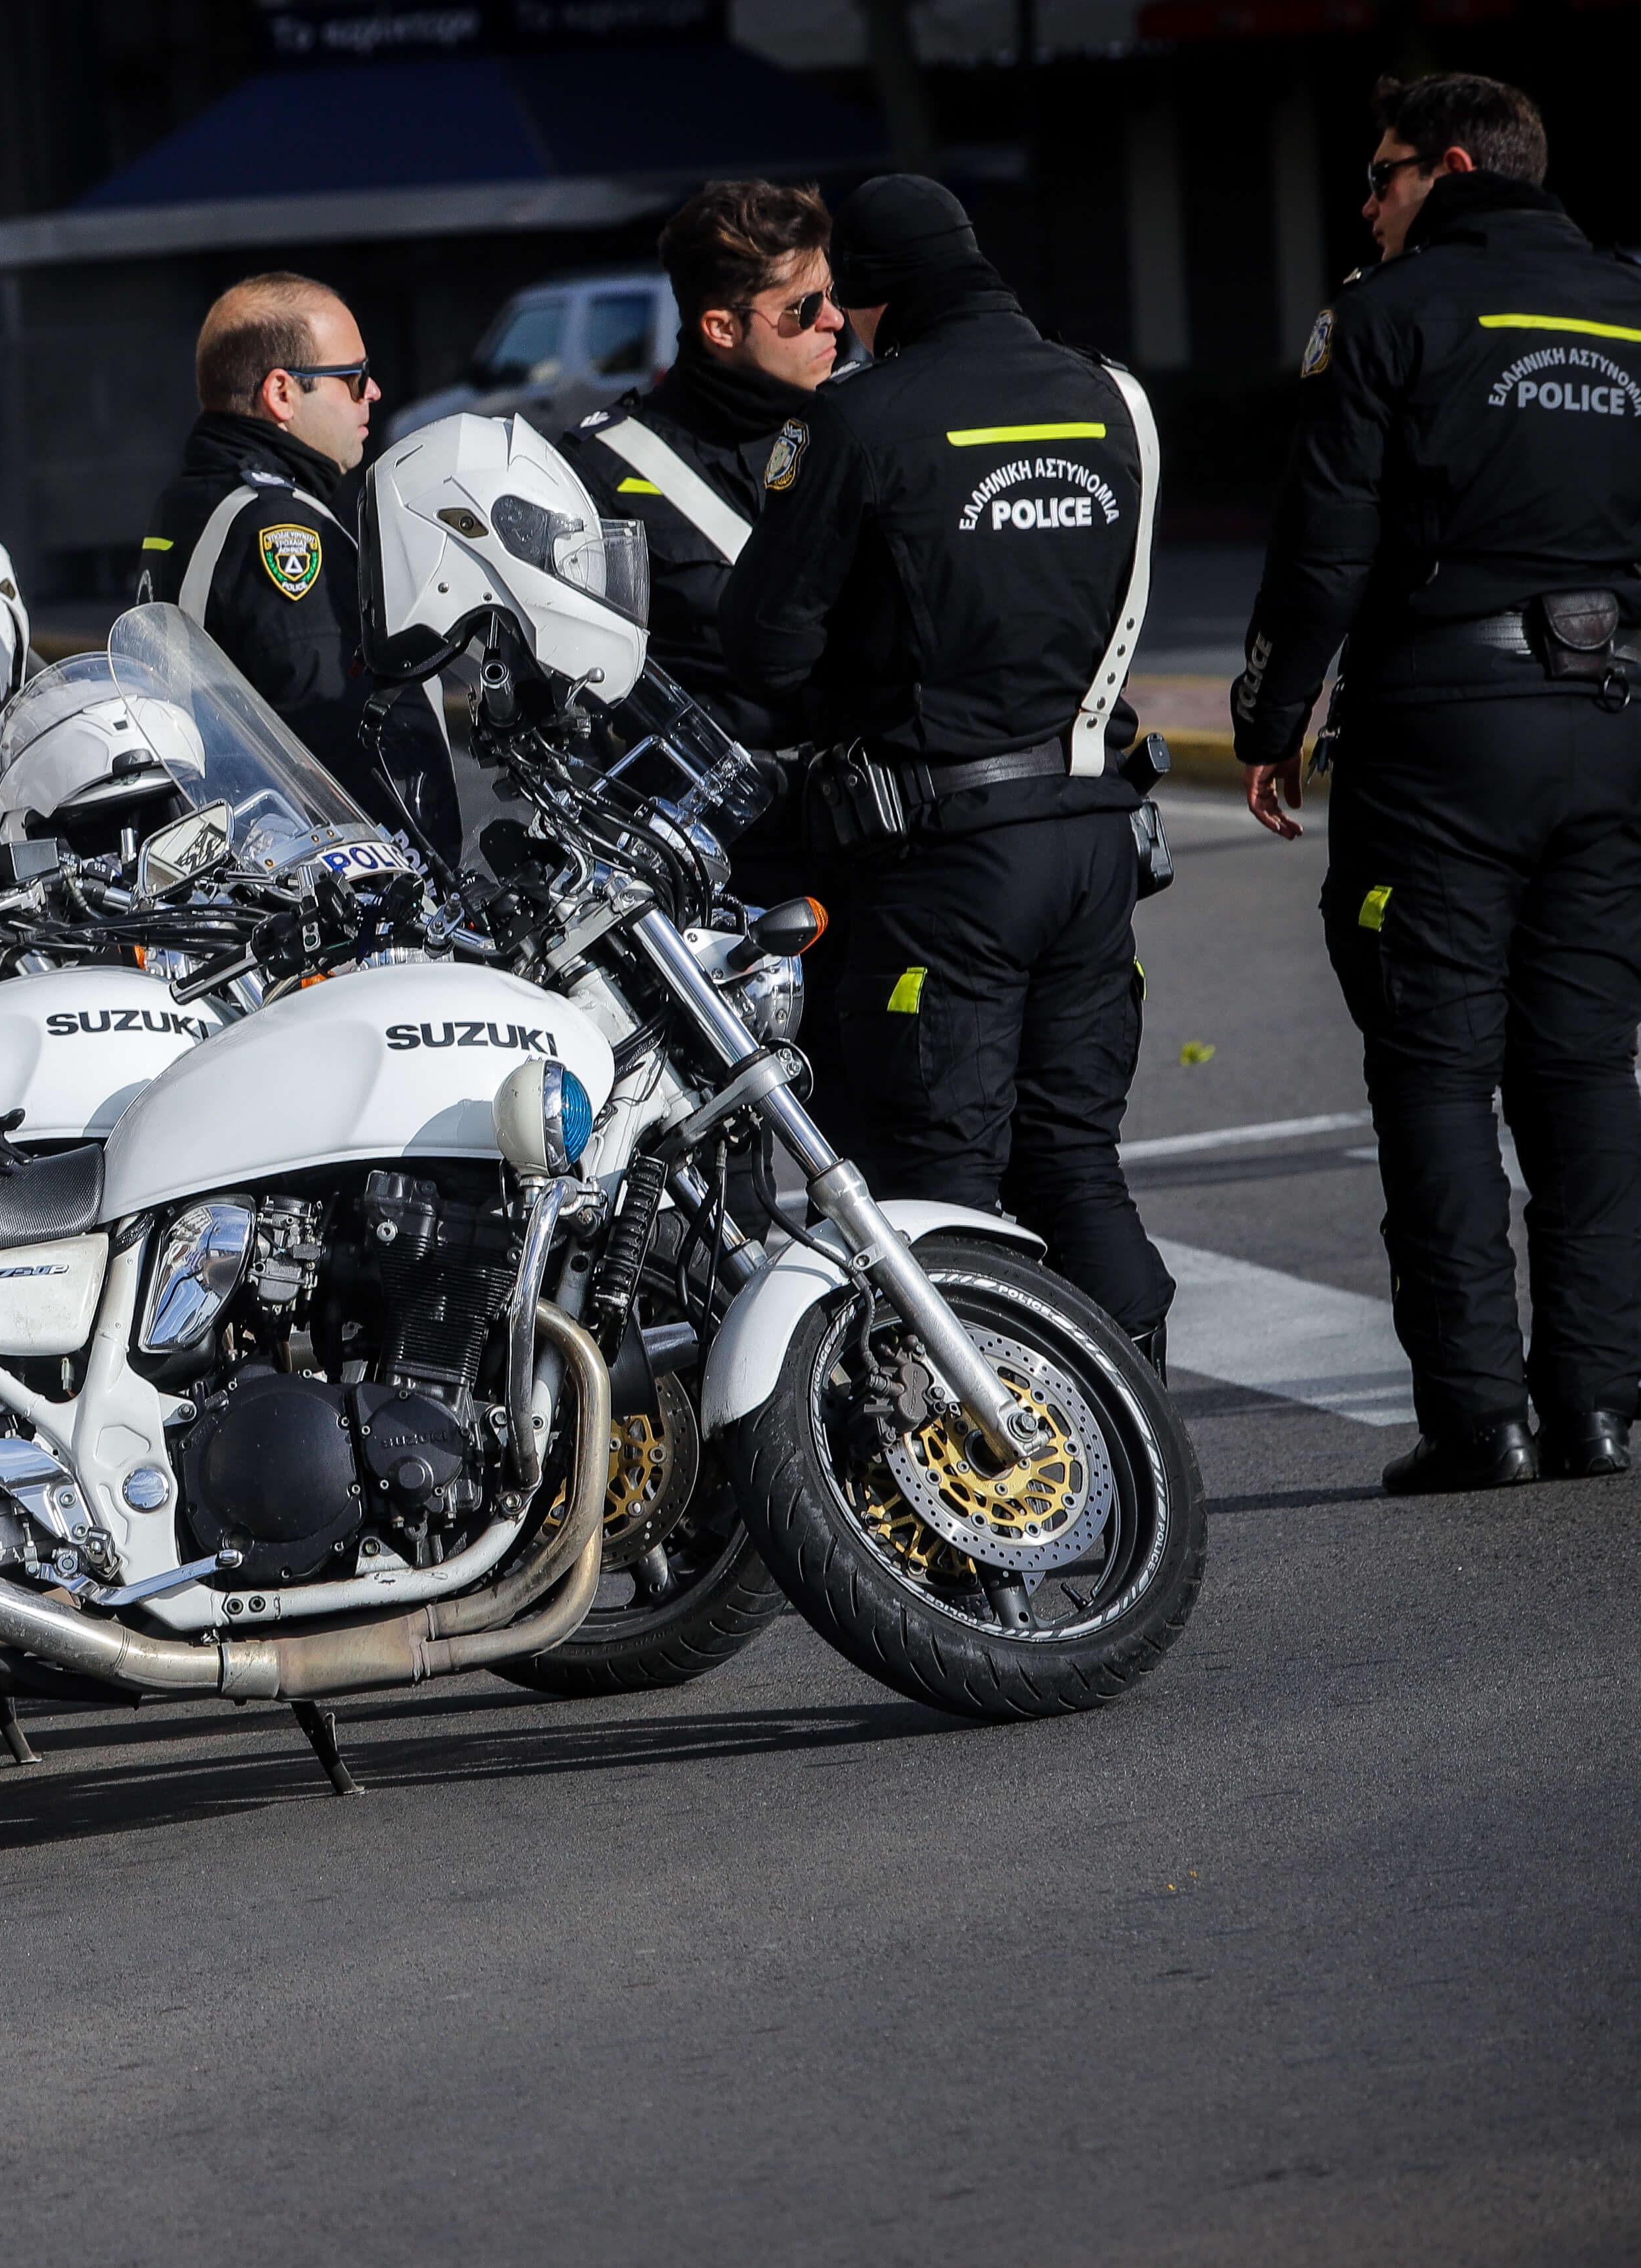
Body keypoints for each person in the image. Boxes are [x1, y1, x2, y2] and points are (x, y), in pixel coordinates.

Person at [1233, 72, 1641, 1494]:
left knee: (1434, 1074)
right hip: (1611, 718)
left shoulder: (1388, 315)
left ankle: (1483, 1415)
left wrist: (1269, 718)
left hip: (1444, 734)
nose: (1367, 201)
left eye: (1383, 173)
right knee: (1589, 1072)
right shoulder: (1626, 304)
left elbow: (1321, 546)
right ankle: (1597, 1403)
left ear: (1448, 168)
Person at [722, 174, 1174, 1366]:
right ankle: (1138, 1424)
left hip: (946, 855)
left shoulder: (862, 420)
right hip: (1091, 832)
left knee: (939, 1176)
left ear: (874, 293)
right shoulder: (1113, 399)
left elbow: (764, 646)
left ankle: (976, 1489)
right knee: (1076, 1156)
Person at [561, 180, 842, 908]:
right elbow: (580, 700)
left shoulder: (862, 436)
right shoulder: (604, 471)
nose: (834, 322)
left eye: (831, 296)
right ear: (720, 327)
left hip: (865, 837)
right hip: (722, 863)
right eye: (803, 309)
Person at [139, 273, 462, 862]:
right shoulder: (279, 531)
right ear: (282, 393)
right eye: (354, 378)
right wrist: (422, 887)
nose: (375, 392)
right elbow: (341, 735)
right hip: (342, 910)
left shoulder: (192, 499)